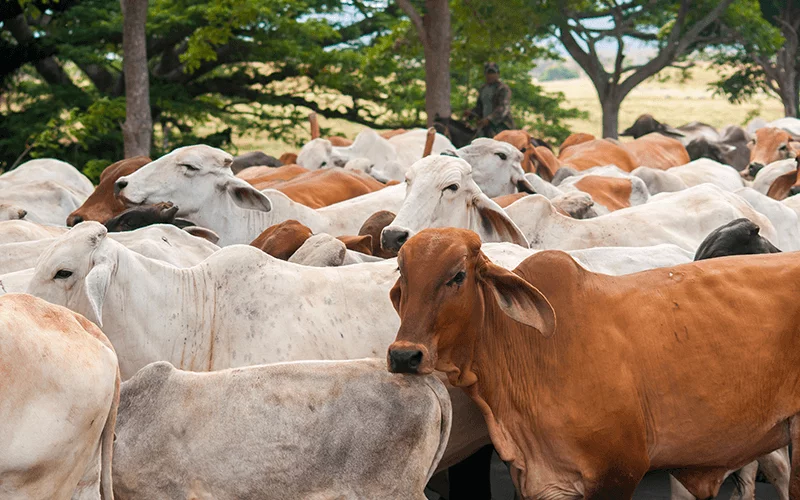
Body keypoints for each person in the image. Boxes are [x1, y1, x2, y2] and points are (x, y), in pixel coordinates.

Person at [463, 62, 515, 137]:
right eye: (488, 73)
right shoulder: (483, 88)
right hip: (484, 127)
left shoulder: (503, 89)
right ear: (485, 74)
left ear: (498, 74)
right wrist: (471, 113)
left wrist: (489, 119)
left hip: (501, 126)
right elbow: (479, 107)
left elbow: (503, 108)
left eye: (493, 73)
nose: (491, 75)